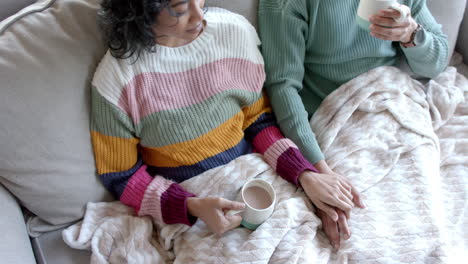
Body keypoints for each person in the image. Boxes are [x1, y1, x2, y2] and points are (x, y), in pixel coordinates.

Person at [91, 0, 364, 237]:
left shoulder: (235, 33)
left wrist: (305, 174)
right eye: (179, 10)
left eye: (199, 1)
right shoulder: (116, 82)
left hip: (257, 179)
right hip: (189, 204)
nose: (199, 17)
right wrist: (192, 207)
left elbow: (258, 122)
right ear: (140, 11)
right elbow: (122, 177)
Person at [258, 0, 448, 249]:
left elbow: (437, 64)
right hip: (332, 115)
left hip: (392, 100)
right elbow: (283, 87)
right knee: (354, 230)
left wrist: (411, 34)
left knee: (425, 221)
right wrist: (319, 170)